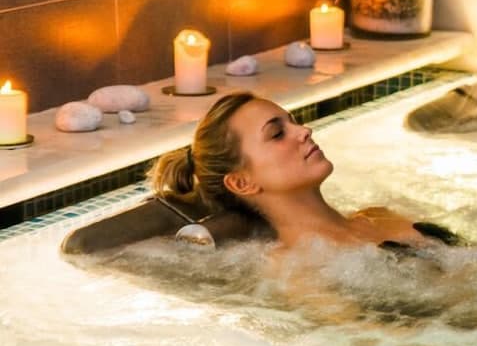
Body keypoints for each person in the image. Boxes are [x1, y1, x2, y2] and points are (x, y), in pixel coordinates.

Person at [150, 92, 457, 253]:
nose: (304, 131)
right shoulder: (300, 271)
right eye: (277, 134)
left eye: (293, 121)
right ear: (242, 182)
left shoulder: (380, 216)